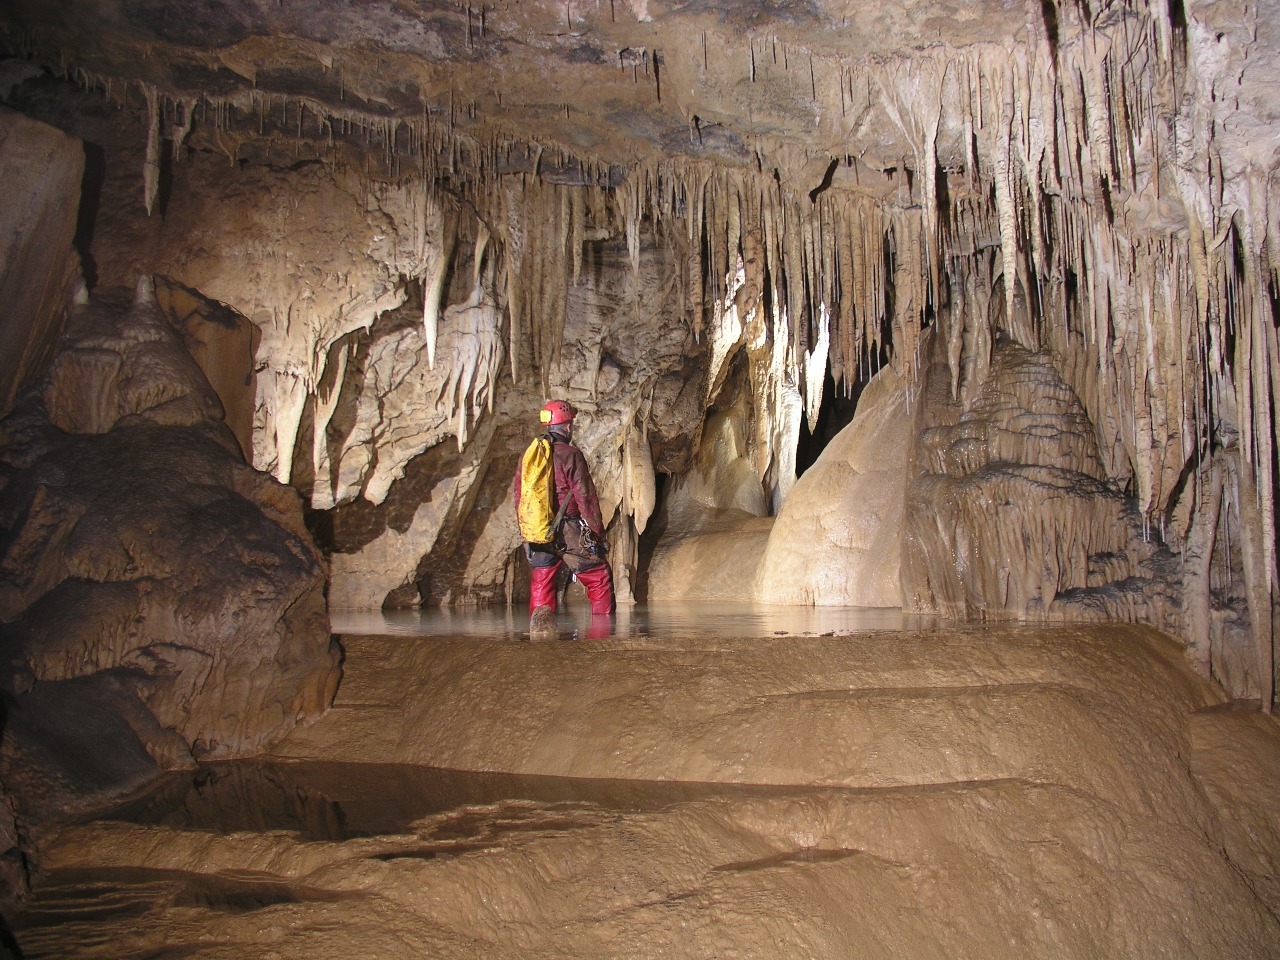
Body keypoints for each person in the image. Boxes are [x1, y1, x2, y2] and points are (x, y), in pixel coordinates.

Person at [512, 400, 615, 621]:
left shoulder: (530, 456)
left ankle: (539, 636)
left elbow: (520, 498)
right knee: (598, 577)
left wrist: (526, 534)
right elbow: (586, 498)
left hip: (538, 530)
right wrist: (598, 534)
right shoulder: (570, 454)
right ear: (568, 426)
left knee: (542, 579)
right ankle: (602, 638)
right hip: (568, 529)